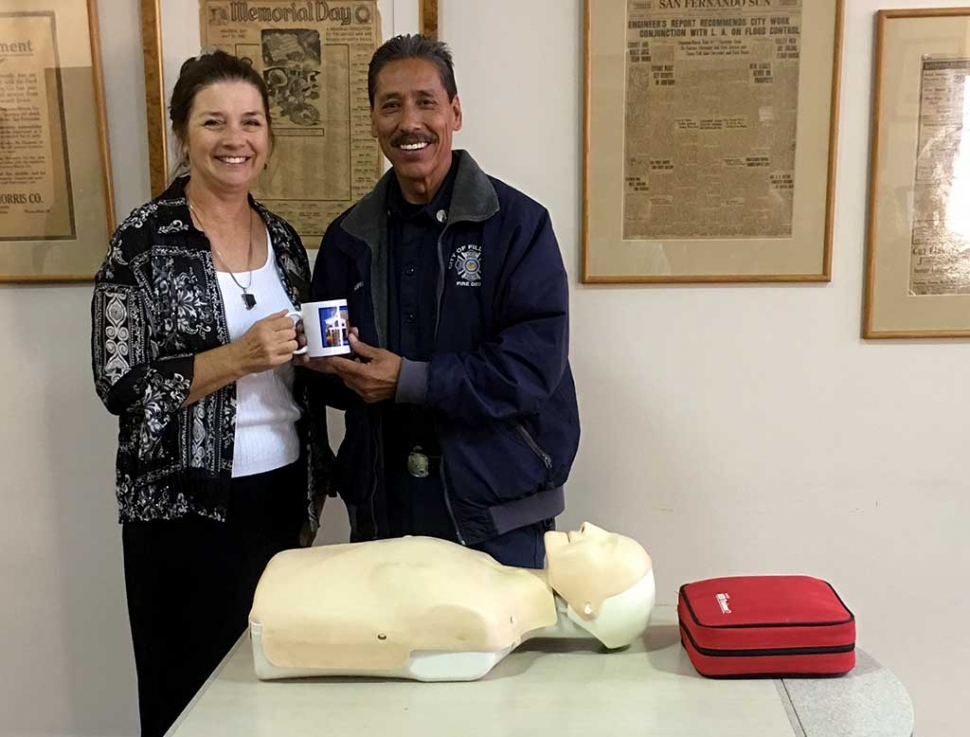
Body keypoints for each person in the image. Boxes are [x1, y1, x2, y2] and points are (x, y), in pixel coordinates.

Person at [90, 50, 330, 737]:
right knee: (187, 696)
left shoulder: (283, 239)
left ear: (268, 137)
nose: (236, 139)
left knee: (276, 692)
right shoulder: (141, 241)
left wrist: (319, 361)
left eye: (251, 121)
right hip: (180, 508)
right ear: (182, 133)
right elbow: (119, 384)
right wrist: (234, 357)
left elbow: (289, 373)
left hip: (279, 497)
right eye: (214, 121)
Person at [309, 34, 580, 568]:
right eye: (391, 105)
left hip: (497, 517)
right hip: (385, 514)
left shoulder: (519, 225)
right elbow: (330, 381)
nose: (409, 122)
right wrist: (325, 367)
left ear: (454, 112)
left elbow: (530, 368)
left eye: (425, 102)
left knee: (498, 653)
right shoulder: (347, 238)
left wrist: (411, 379)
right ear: (372, 121)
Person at [248, 522, 655, 681]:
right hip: (284, 586)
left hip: (280, 611)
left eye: (607, 547)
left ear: (589, 608)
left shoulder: (484, 623)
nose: (591, 529)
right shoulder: (491, 579)